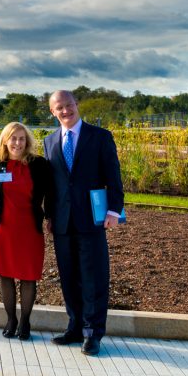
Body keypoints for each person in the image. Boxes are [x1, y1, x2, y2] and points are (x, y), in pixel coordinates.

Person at [43, 90, 124, 357]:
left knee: (93, 277)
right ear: (53, 112)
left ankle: (92, 334)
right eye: (59, 108)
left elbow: (113, 176)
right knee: (69, 278)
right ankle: (75, 327)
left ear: (77, 105)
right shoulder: (49, 141)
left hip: (93, 220)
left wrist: (114, 210)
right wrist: (49, 216)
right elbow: (52, 186)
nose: (66, 111)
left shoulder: (100, 137)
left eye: (69, 105)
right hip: (63, 223)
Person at [0, 122, 51, 341]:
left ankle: (25, 322)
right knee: (6, 275)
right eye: (13, 138)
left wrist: (49, 216)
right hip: (2, 228)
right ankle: (11, 320)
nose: (17, 143)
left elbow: (50, 192)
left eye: (22, 139)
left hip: (28, 229)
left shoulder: (39, 164)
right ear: (5, 140)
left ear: (27, 142)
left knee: (28, 276)